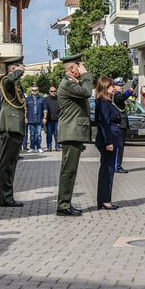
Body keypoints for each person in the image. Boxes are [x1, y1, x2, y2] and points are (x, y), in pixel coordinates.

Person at [56, 53, 93, 217]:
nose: (82, 69)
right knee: (68, 171)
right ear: (72, 68)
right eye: (79, 66)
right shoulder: (68, 84)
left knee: (70, 170)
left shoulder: (71, 83)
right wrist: (86, 75)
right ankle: (63, 205)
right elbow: (86, 92)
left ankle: (65, 203)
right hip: (70, 132)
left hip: (73, 132)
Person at [0, 57, 26, 207]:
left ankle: (7, 197)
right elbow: (8, 81)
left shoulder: (15, 84)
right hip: (9, 125)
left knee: (11, 164)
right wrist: (18, 72)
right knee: (6, 164)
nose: (21, 67)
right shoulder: (6, 80)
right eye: (17, 66)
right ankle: (6, 198)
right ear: (10, 69)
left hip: (15, 126)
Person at [94, 77, 122, 210]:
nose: (114, 88)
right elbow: (104, 123)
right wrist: (109, 142)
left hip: (111, 137)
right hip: (108, 139)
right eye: (112, 86)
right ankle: (105, 200)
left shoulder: (105, 102)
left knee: (108, 169)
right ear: (105, 88)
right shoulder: (103, 103)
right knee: (107, 170)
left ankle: (104, 199)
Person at [112, 77, 134, 173]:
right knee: (118, 146)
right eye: (119, 85)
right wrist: (131, 89)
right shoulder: (116, 96)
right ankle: (116, 166)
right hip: (119, 124)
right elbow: (122, 97)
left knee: (120, 146)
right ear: (114, 87)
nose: (121, 87)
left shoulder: (118, 95)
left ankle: (118, 164)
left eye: (122, 85)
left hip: (122, 124)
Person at [25, 86, 47, 153]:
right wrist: (25, 118)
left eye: (36, 90)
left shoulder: (42, 99)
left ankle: (39, 147)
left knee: (38, 134)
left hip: (39, 119)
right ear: (31, 91)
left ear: (38, 90)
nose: (34, 91)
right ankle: (32, 147)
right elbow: (25, 109)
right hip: (31, 119)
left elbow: (45, 109)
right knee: (32, 134)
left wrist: (45, 118)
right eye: (33, 90)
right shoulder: (27, 99)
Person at [44, 87, 61, 151]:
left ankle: (57, 147)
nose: (53, 92)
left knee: (57, 134)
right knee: (49, 134)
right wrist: (44, 118)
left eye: (54, 91)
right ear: (49, 92)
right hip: (49, 120)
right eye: (51, 91)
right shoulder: (46, 99)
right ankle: (49, 147)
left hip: (57, 119)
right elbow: (45, 108)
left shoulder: (59, 99)